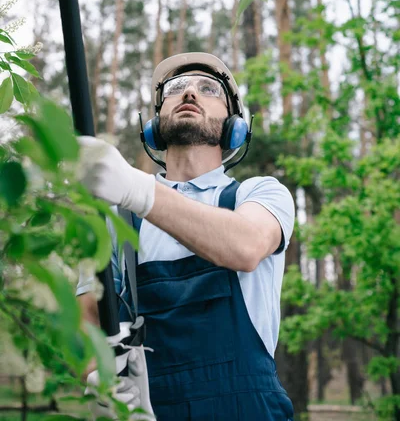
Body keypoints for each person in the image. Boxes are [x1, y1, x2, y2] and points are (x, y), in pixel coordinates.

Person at [77, 52, 295, 421]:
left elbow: (245, 246)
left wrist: (138, 188)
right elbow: (85, 324)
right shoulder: (116, 220)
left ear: (234, 125)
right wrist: (98, 380)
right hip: (152, 410)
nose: (190, 93)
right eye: (176, 89)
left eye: (209, 89)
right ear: (154, 124)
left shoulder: (259, 194)